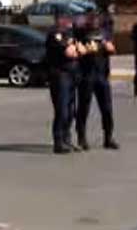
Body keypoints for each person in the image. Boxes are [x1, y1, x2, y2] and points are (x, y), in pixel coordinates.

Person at [75, 11, 118, 150]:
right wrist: (86, 49)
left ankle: (108, 138)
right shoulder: (81, 34)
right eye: (91, 19)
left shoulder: (104, 33)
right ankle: (81, 138)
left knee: (107, 108)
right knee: (83, 108)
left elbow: (112, 49)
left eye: (96, 20)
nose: (94, 22)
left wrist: (107, 46)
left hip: (101, 75)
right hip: (86, 75)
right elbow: (77, 50)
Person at [45, 12, 81, 154]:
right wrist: (76, 49)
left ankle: (67, 139)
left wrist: (77, 49)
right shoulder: (55, 33)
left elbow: (82, 49)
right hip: (60, 75)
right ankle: (58, 142)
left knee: (71, 111)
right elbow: (69, 52)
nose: (70, 21)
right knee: (62, 110)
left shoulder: (70, 33)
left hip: (72, 74)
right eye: (67, 18)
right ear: (60, 19)